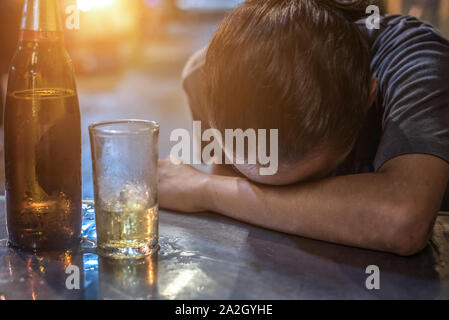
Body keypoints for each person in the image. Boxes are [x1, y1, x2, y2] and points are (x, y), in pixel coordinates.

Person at [158, 0, 449, 256]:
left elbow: (402, 221)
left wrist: (206, 190)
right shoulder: (202, 78)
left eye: (309, 183)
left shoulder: (415, 64)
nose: (293, 195)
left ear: (368, 100)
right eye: (255, 182)